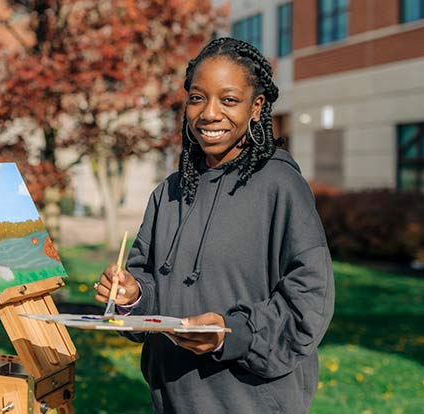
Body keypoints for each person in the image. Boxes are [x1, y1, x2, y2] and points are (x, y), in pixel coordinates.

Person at [94, 37, 335, 413]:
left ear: (256, 108)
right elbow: (151, 287)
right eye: (197, 97)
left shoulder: (281, 186)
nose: (209, 113)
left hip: (251, 400)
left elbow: (310, 299)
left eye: (228, 99)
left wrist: (231, 335)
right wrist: (132, 295)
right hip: (173, 397)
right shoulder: (168, 193)